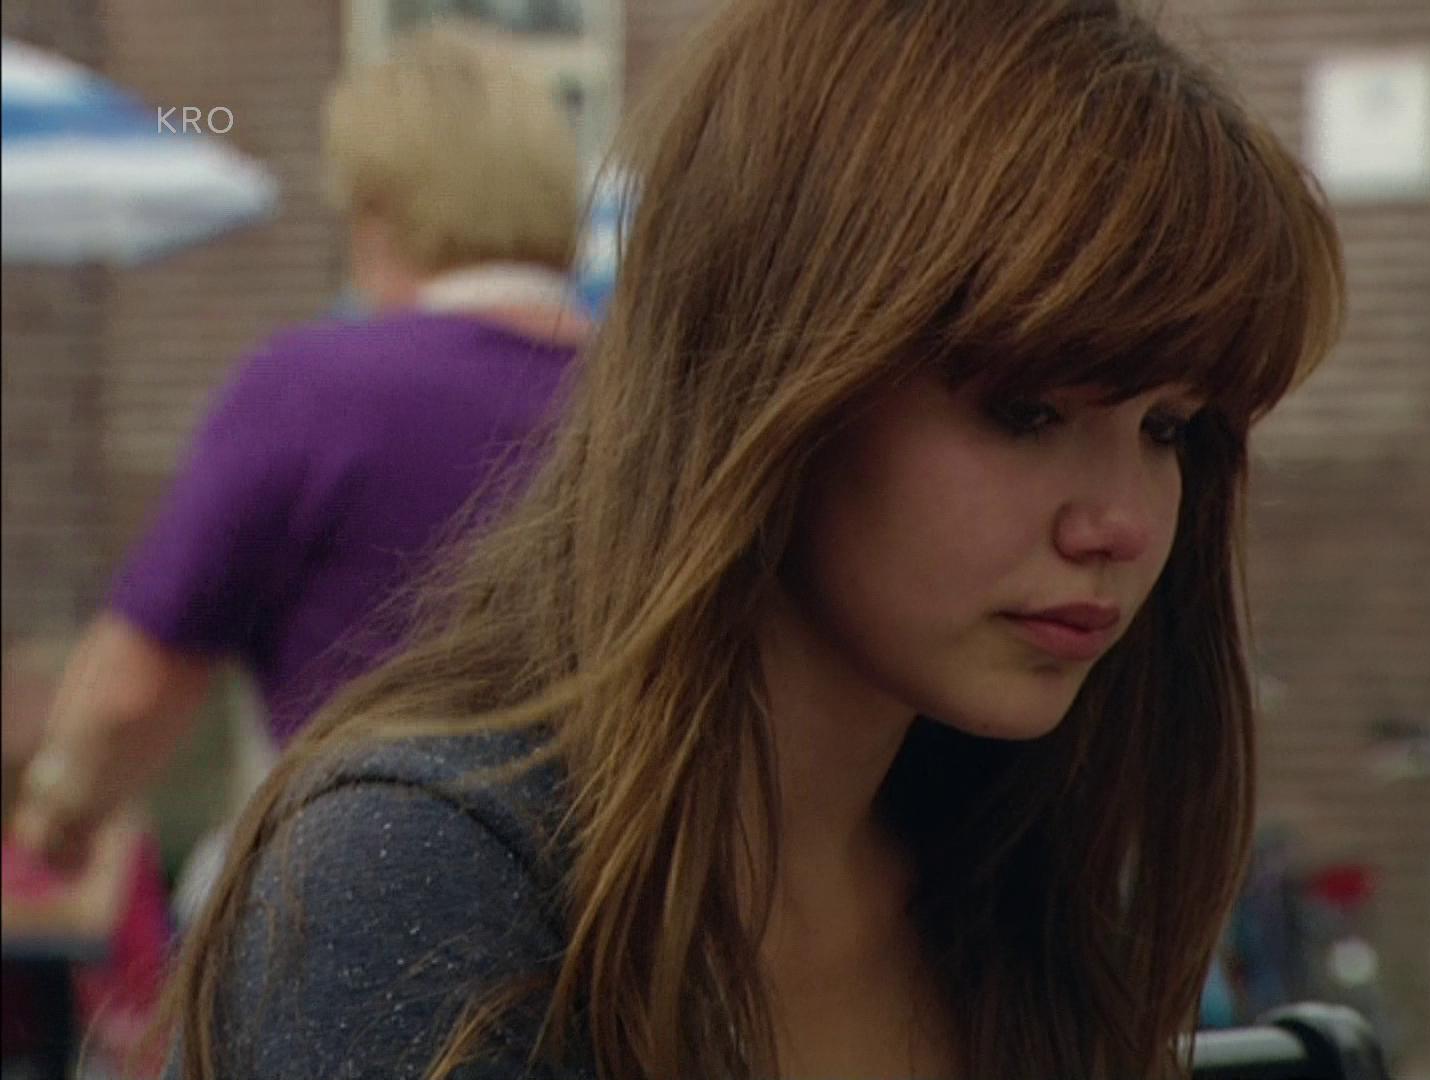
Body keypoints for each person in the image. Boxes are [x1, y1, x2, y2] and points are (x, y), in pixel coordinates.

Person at [157, 1, 1346, 1077]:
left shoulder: (1029, 889)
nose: (1120, 522)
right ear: (778, 374)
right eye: (1025, 413)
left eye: (1168, 428)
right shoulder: (425, 882)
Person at [9, 25, 591, 877]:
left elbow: (133, 689)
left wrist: (54, 820)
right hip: (614, 897)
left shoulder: (312, 390)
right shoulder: (652, 393)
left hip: (350, 887)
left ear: (380, 209)